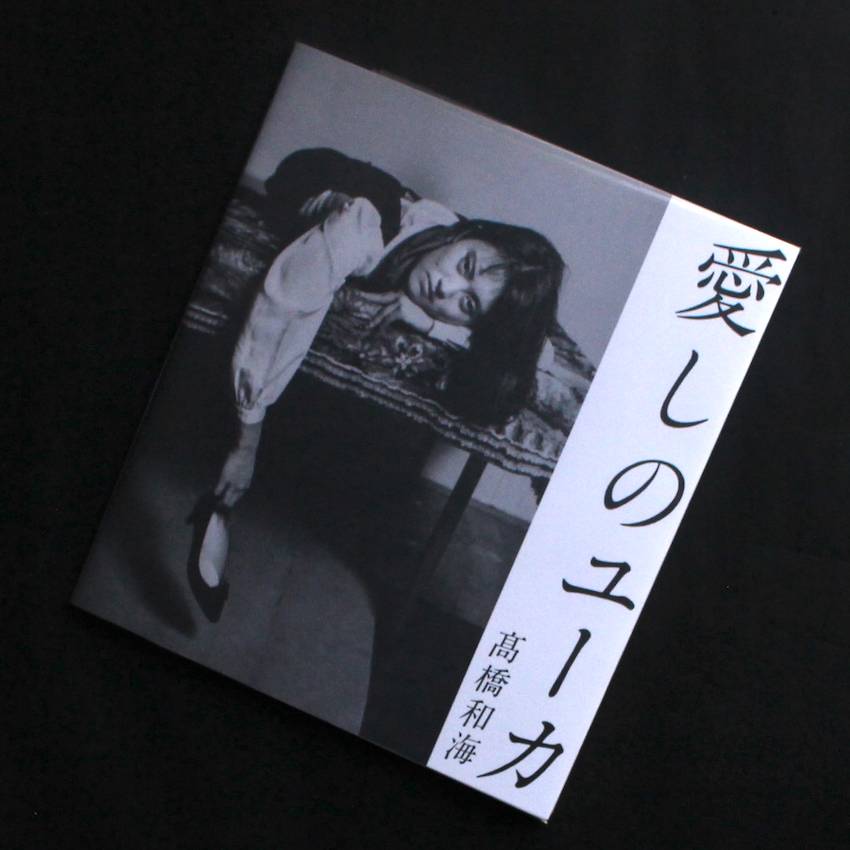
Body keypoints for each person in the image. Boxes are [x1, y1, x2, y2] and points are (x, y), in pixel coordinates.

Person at [187, 149, 565, 620]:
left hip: (413, 214)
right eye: (465, 267)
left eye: (467, 306)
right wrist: (246, 440)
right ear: (466, 235)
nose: (444, 289)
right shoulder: (362, 227)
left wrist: (427, 323)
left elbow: (535, 354)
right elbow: (281, 307)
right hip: (309, 172)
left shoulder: (455, 248)